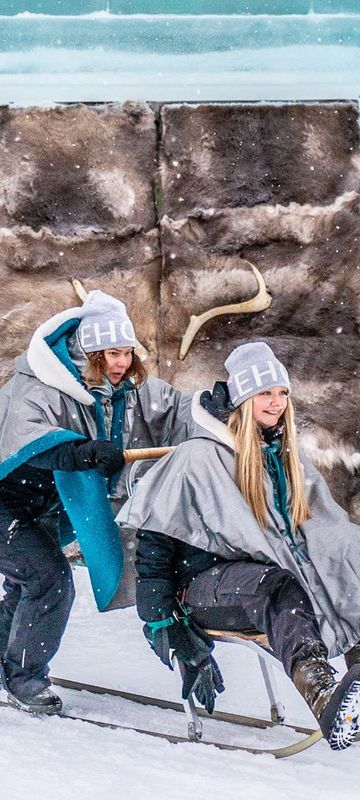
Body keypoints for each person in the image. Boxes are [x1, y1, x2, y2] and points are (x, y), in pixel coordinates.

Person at [117, 341, 360, 752]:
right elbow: (153, 544)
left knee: (348, 564)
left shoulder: (284, 457)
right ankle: (325, 697)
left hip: (255, 578)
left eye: (282, 392)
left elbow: (323, 533)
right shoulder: (198, 456)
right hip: (200, 587)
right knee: (279, 587)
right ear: (244, 398)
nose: (277, 402)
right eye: (265, 393)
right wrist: (165, 625)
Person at [0, 289, 193, 714]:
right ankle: (24, 679)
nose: (122, 361)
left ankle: (8, 662)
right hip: (6, 502)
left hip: (42, 505)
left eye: (127, 351)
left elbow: (173, 409)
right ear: (90, 352)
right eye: (111, 353)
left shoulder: (122, 391)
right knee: (49, 580)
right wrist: (84, 452)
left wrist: (217, 409)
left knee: (24, 585)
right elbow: (28, 439)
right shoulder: (39, 383)